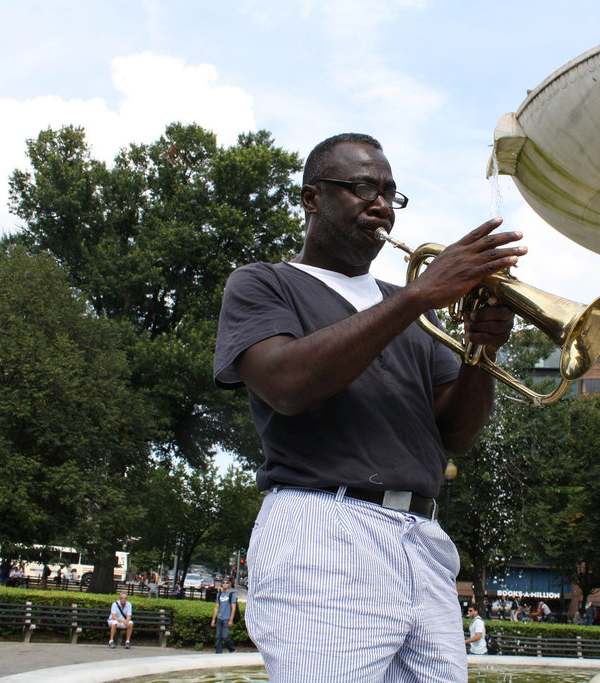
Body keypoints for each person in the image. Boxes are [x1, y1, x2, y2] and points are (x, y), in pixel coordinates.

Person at [213, 133, 523, 682]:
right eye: (362, 189)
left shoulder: (411, 310)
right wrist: (416, 298)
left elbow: (455, 435)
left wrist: (481, 350)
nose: (381, 206)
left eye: (390, 194)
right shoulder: (263, 283)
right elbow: (285, 385)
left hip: (421, 538)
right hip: (322, 526)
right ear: (312, 198)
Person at [210, 578, 238, 653]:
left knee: (225, 636)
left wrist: (231, 620)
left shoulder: (232, 594)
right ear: (222, 584)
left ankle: (232, 649)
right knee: (218, 637)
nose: (225, 584)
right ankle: (218, 652)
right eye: (223, 583)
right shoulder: (219, 594)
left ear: (229, 584)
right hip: (220, 618)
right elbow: (216, 607)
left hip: (227, 619)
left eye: (227, 583)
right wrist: (213, 619)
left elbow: (233, 608)